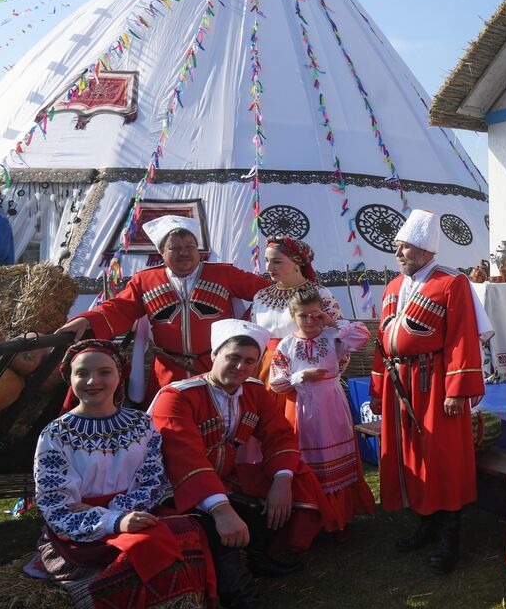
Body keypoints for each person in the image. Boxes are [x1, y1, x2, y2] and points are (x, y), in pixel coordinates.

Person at [35, 340, 222, 609]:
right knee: (149, 548)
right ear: (69, 379)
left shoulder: (140, 423)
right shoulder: (55, 435)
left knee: (189, 530)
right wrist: (114, 522)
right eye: (82, 373)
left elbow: (151, 479)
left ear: (120, 375)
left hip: (135, 511)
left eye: (104, 372)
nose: (93, 381)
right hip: (80, 526)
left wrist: (127, 513)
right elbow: (56, 504)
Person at [150, 319, 329, 609]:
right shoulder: (177, 397)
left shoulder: (253, 391)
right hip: (171, 495)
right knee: (221, 542)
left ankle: (260, 553)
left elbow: (279, 436)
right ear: (213, 354)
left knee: (293, 481)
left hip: (219, 484)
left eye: (250, 361)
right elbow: (183, 462)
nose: (240, 367)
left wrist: (281, 479)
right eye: (233, 357)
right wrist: (220, 510)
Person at [370, 209, 486, 575]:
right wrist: (377, 388)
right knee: (411, 453)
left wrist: (458, 389)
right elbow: (381, 342)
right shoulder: (392, 288)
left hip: (434, 383)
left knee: (443, 456)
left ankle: (450, 536)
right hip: (398, 383)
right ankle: (426, 521)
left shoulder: (451, 284)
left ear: (423, 248)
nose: (398, 254)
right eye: (397, 248)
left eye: (403, 248)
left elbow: (462, 337)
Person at [59, 216, 271, 396]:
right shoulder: (145, 280)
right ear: (161, 252)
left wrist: (245, 327)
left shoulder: (224, 274)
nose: (184, 253)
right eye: (175, 248)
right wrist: (87, 319)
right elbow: (120, 307)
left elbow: (269, 293)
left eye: (189, 247)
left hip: (215, 368)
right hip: (168, 370)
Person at [269, 285, 376, 539]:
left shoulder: (333, 336)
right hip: (303, 406)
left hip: (331, 402)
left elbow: (361, 338)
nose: (309, 320)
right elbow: (276, 382)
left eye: (315, 314)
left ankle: (340, 517)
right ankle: (312, 517)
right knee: (307, 460)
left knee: (337, 455)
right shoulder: (286, 344)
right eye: (303, 316)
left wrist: (332, 321)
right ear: (293, 317)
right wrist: (300, 376)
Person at [248, 236, 345, 424]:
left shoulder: (319, 294)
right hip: (267, 371)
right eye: (267, 261)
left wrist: (327, 379)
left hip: (306, 371)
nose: (269, 268)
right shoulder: (260, 296)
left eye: (277, 262)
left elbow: (339, 337)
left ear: (296, 263)